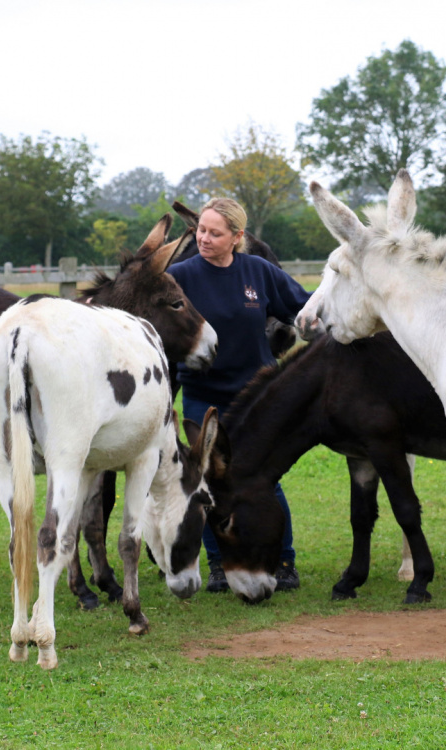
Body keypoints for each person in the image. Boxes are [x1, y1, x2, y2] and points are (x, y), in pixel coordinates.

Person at [168, 197, 311, 592]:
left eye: (215, 233)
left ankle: (284, 561)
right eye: (201, 230)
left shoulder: (259, 272)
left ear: (237, 237)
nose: (205, 239)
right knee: (209, 483)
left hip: (255, 401)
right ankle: (217, 563)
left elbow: (304, 308)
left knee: (265, 480)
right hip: (203, 397)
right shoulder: (179, 277)